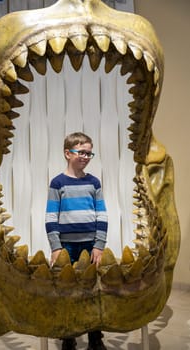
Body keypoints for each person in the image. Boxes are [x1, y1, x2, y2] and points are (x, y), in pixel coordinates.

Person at [45, 132, 108, 350]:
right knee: (67, 290)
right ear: (67, 153)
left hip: (90, 245)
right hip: (67, 246)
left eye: (89, 153)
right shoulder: (57, 183)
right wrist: (56, 247)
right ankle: (68, 336)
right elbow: (51, 216)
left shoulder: (94, 182)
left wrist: (99, 245)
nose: (86, 156)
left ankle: (95, 337)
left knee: (92, 289)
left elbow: (102, 214)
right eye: (81, 152)